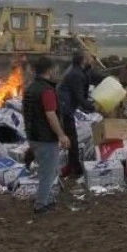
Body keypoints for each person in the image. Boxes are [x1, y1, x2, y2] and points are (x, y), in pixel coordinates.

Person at [23, 56, 70, 214]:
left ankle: (47, 199)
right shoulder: (47, 91)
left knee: (51, 169)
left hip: (33, 136)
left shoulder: (30, 88)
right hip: (45, 138)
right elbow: (51, 115)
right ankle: (41, 205)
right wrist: (62, 135)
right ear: (49, 70)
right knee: (47, 173)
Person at [57, 51, 99, 177]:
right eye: (90, 57)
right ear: (83, 60)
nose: (92, 58)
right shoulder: (76, 74)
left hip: (66, 106)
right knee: (71, 138)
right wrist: (93, 107)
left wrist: (108, 79)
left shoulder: (80, 70)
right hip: (64, 108)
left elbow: (94, 76)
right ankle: (73, 167)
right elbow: (78, 97)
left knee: (71, 137)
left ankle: (73, 165)